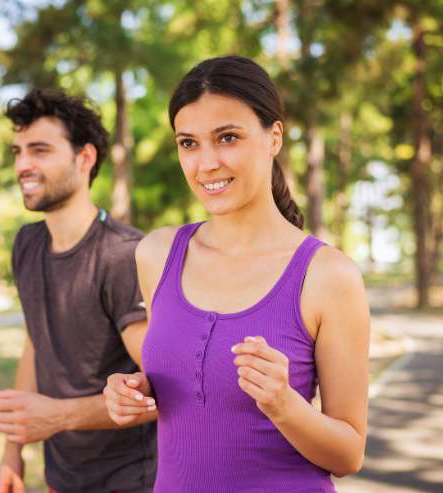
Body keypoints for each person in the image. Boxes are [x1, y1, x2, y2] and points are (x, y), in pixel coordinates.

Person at [103, 55, 370, 492]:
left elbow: (348, 453)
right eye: (188, 143)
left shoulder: (327, 276)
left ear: (274, 137)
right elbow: (192, 386)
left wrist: (284, 405)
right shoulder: (156, 254)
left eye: (227, 137)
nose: (206, 163)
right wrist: (132, 392)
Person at [0, 89, 157, 493]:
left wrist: (60, 416)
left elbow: (163, 389)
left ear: (85, 158)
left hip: (132, 480)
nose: (23, 165)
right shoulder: (26, 245)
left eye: (40, 150)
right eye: (18, 152)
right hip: (61, 478)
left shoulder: (124, 255)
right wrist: (12, 451)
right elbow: (36, 343)